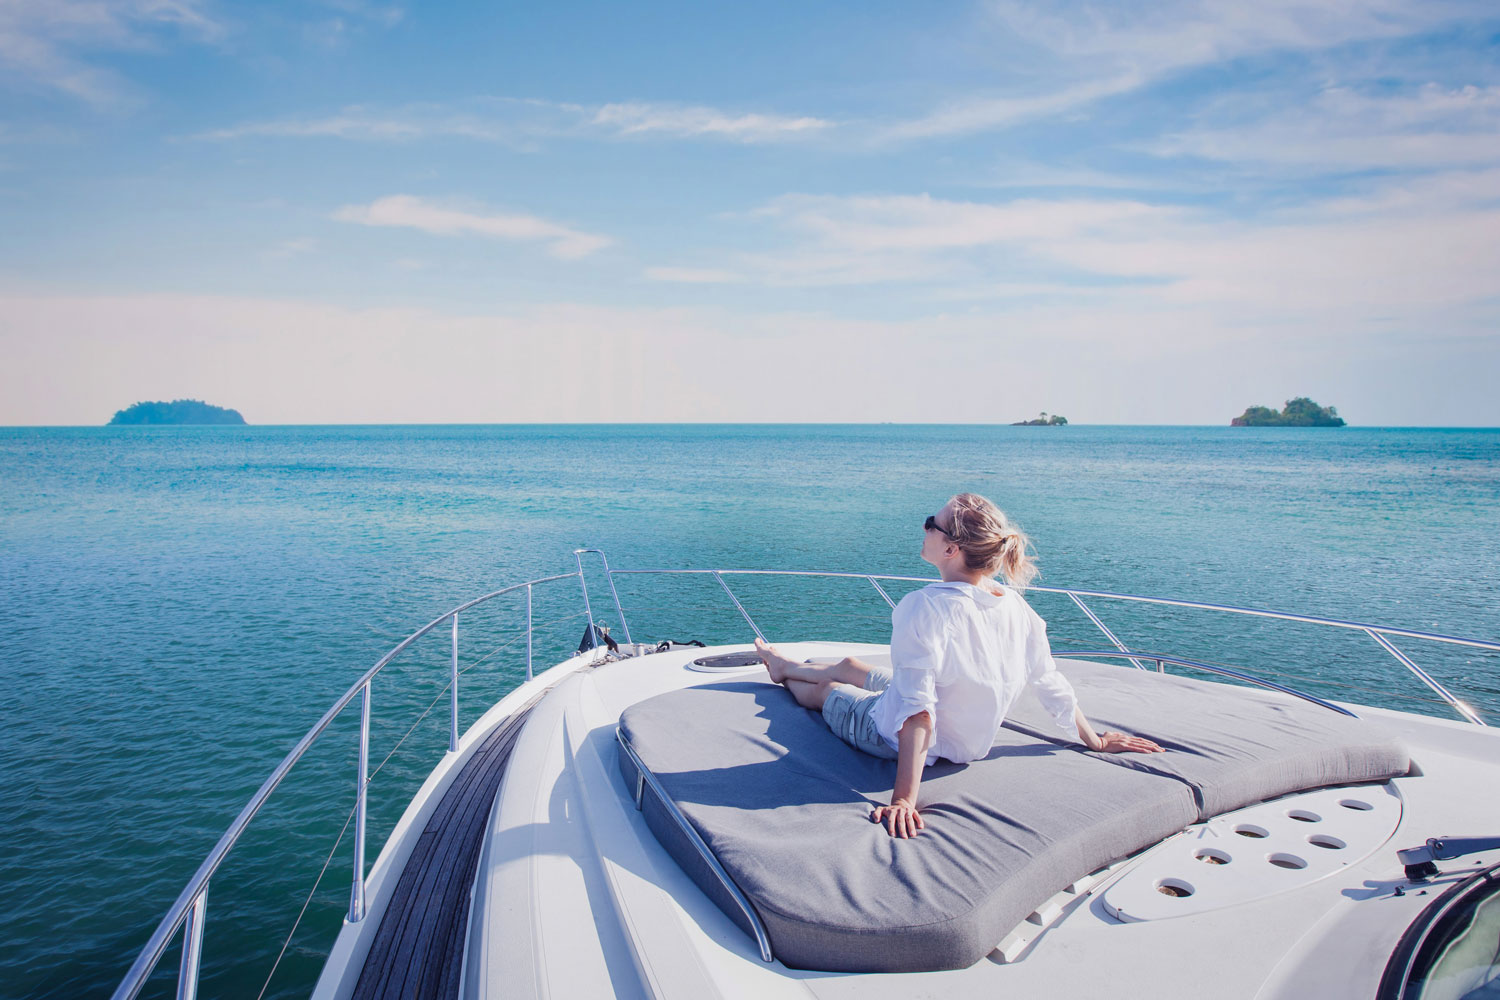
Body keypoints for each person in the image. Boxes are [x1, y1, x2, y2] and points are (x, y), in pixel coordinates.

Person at [754, 492, 1164, 840]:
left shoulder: (924, 608)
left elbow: (917, 712)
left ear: (952, 549)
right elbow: (1048, 679)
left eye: (932, 523)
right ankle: (811, 665)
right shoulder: (1014, 605)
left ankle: (783, 672)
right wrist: (1092, 739)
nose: (925, 527)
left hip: (890, 734)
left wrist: (903, 799)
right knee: (850, 666)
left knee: (827, 694)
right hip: (963, 737)